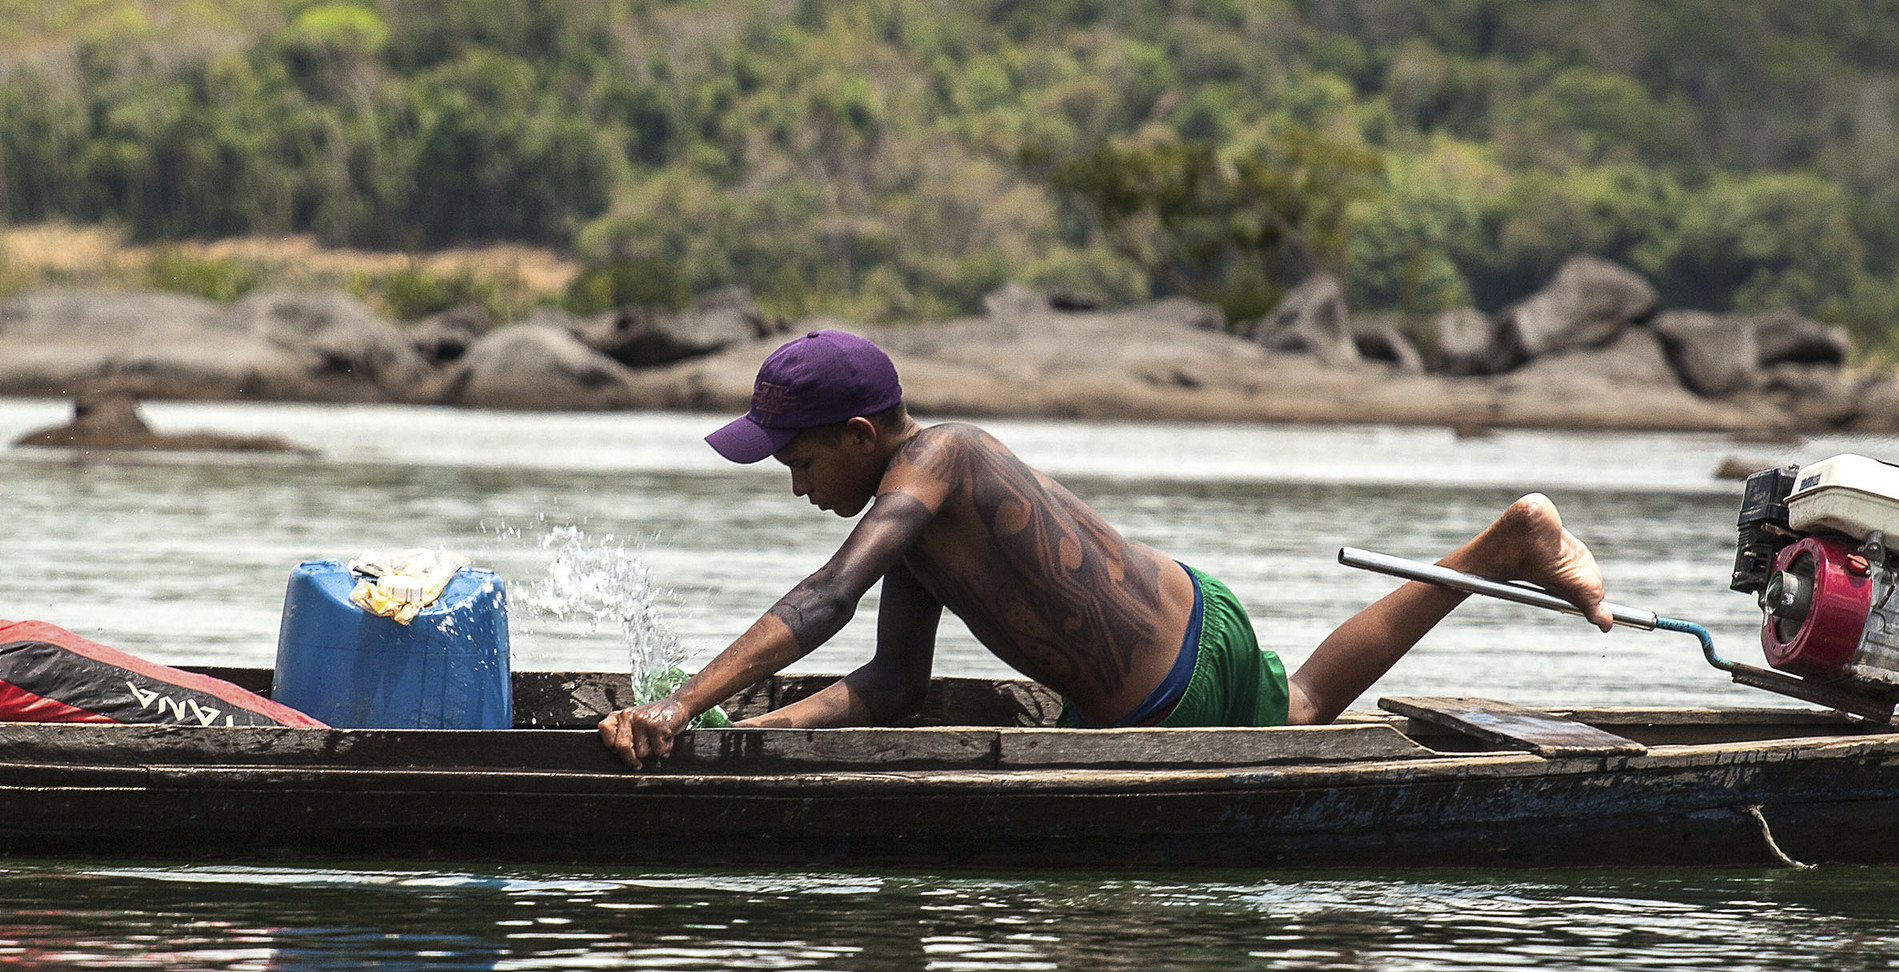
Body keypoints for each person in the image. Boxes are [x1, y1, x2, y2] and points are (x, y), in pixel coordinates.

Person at [599, 330, 1610, 767]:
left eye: (801, 461)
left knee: (1295, 719)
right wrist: (744, 736)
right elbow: (891, 681)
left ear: (860, 438)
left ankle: (1502, 542)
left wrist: (675, 702)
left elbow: (825, 599)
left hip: (1162, 703)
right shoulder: (910, 523)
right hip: (1185, 631)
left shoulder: (938, 461)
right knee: (1298, 707)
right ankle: (1501, 542)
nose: (795, 484)